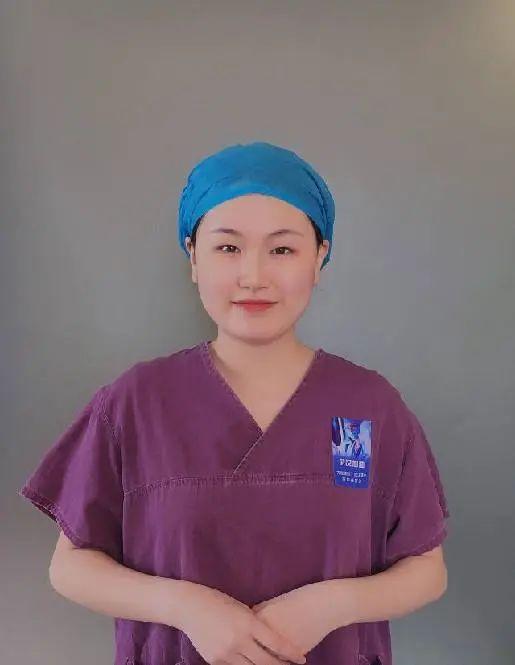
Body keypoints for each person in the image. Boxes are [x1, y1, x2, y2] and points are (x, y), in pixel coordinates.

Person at [18, 141, 450, 665]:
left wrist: (330, 605)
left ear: (320, 257)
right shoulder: (135, 403)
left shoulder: (367, 406)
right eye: (228, 248)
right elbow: (70, 566)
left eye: (282, 250)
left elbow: (426, 569)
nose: (254, 276)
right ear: (193, 257)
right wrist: (186, 608)